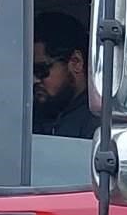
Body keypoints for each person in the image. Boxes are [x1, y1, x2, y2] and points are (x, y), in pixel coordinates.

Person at [32, 11, 99, 140]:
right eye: (28, 73)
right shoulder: (30, 116)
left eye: (41, 70)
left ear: (76, 62)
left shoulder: (98, 126)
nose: (34, 80)